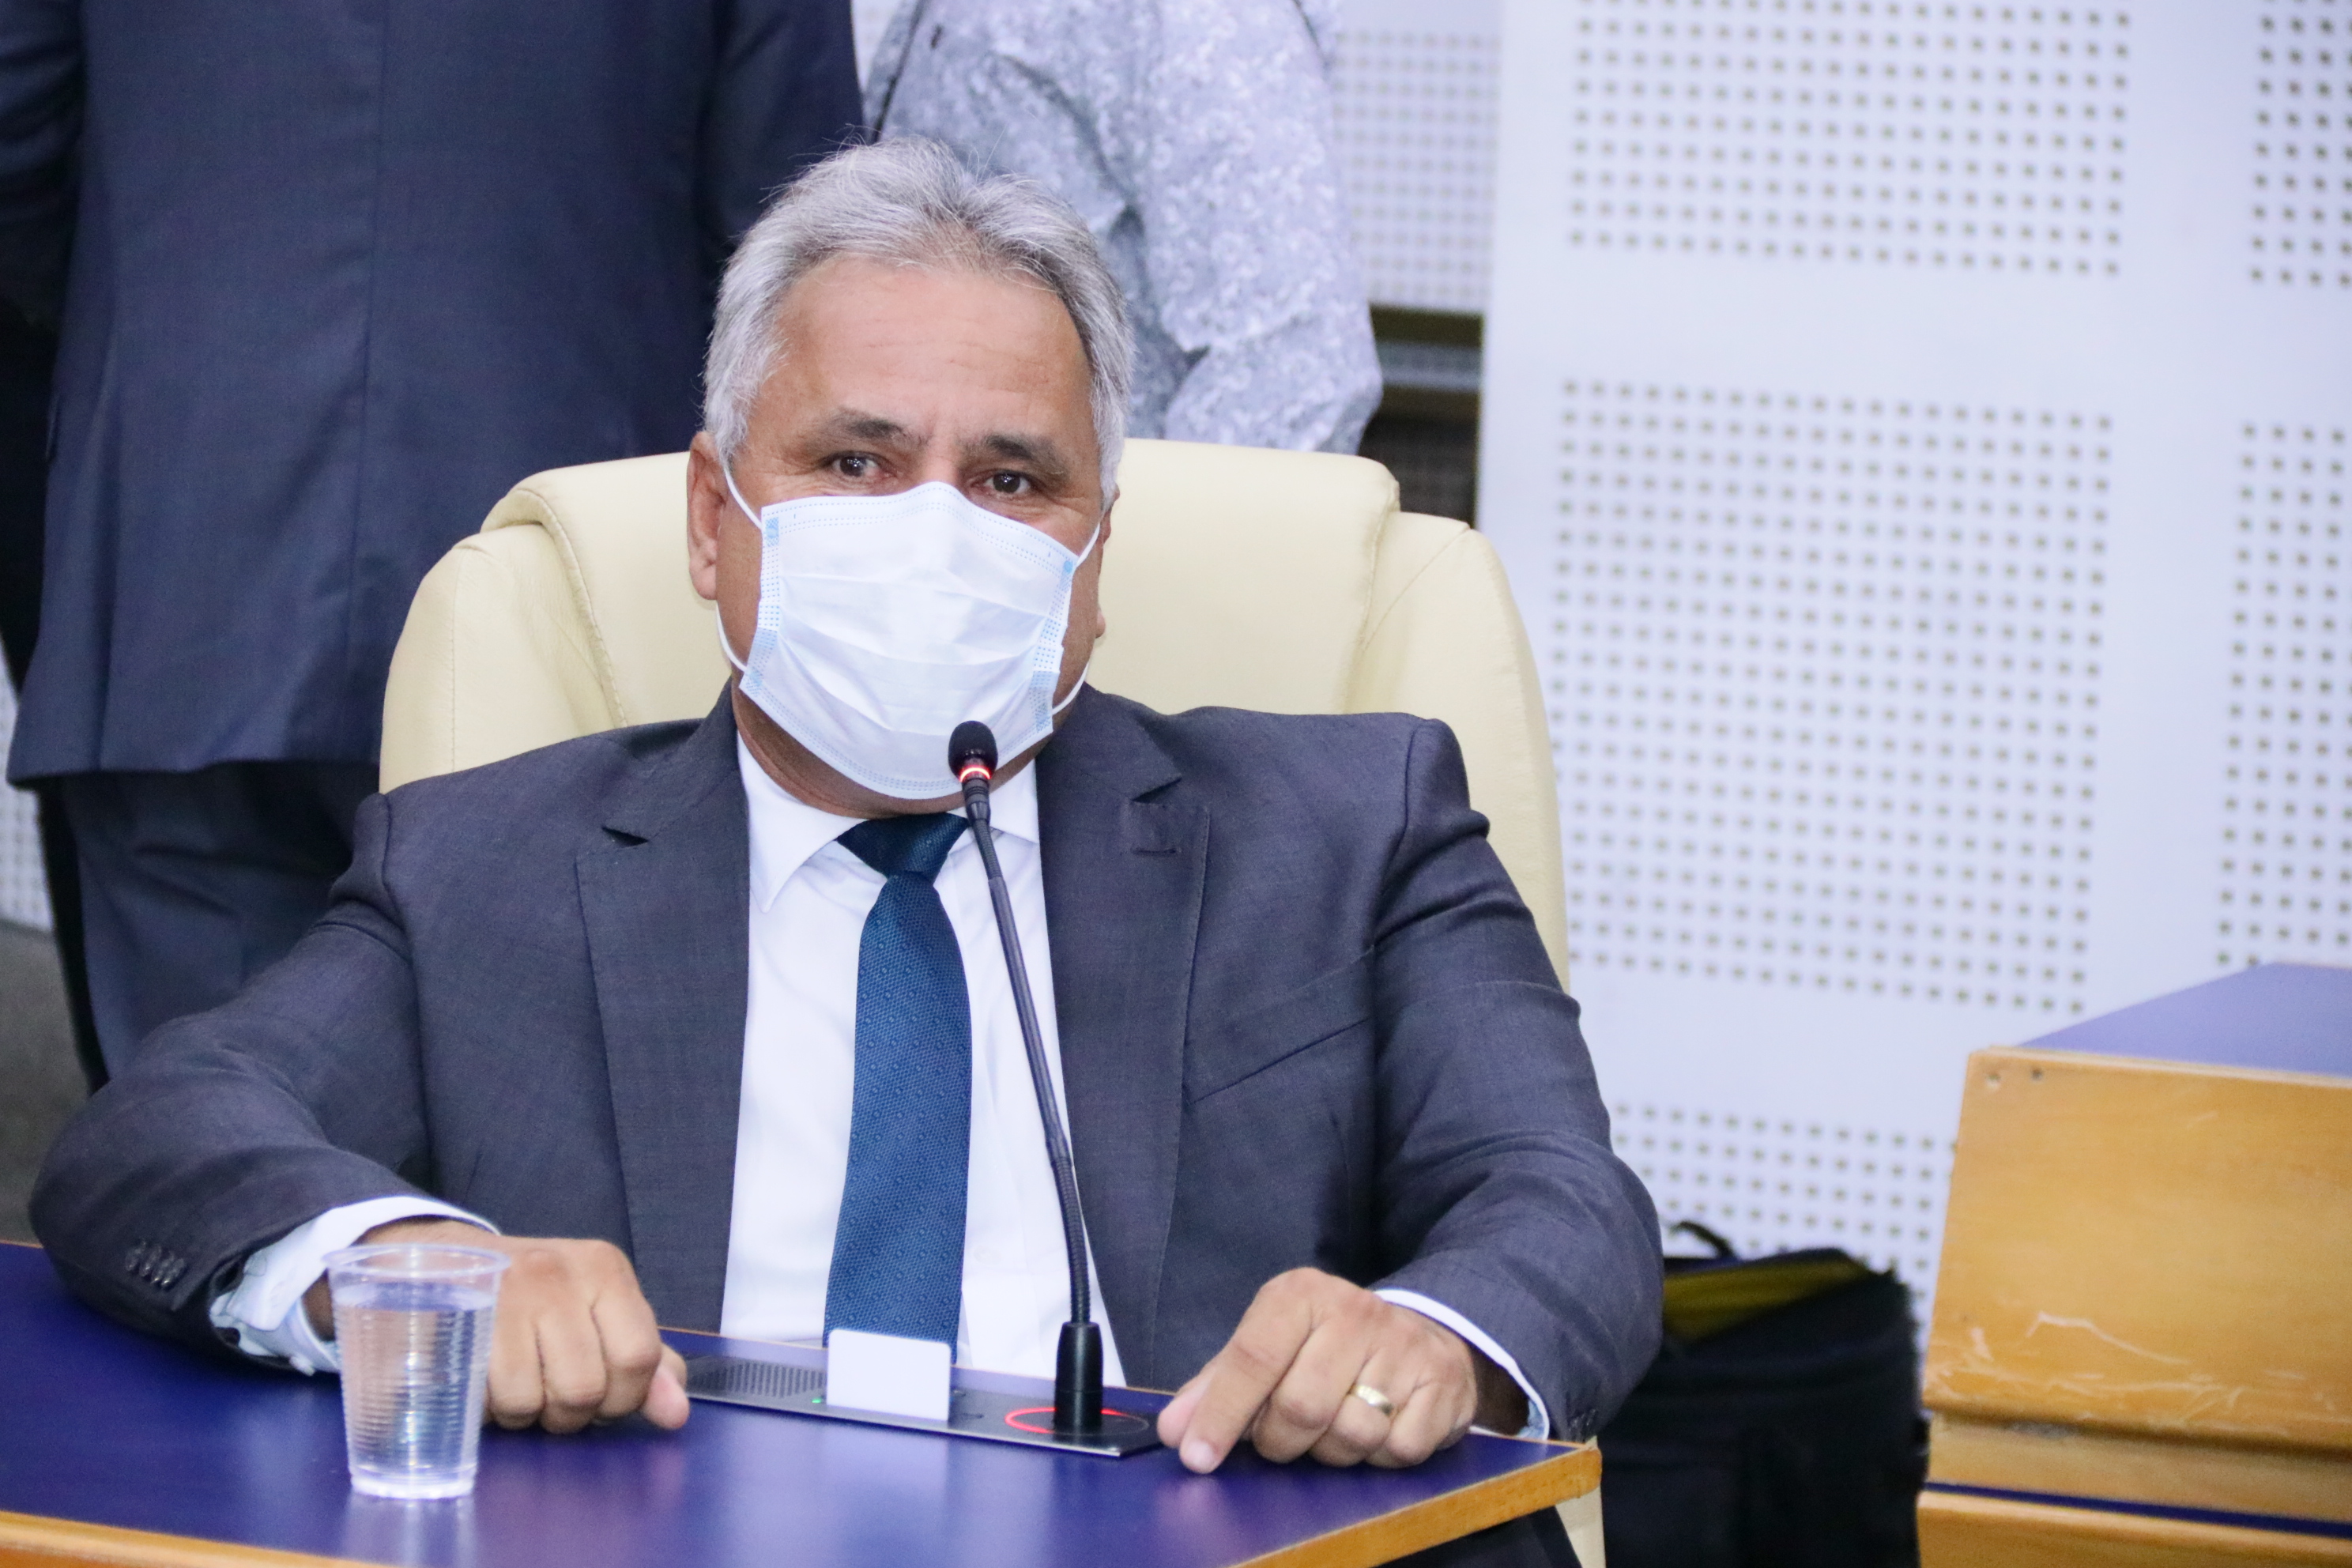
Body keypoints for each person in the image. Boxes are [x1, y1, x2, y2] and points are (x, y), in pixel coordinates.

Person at [33, 141, 1657, 1568]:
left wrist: (1426, 1335)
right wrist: (404, 1263)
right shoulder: (487, 863)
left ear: (1096, 557)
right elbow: (161, 1135)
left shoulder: (1353, 826)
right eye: (855, 461)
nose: (931, 529)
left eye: (1012, 477)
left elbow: (1561, 1201)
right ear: (710, 519)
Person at [0, 0, 863, 1078]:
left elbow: (17, 142)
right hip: (564, 561)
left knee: (210, 1122)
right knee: (537, 1123)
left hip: (192, 540)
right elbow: (794, 231)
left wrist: (167, 333)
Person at [865, 0, 1382, 455]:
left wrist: (1147, 531)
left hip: (1088, 518)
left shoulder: (1194, 15)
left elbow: (1298, 360)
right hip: (974, 499)